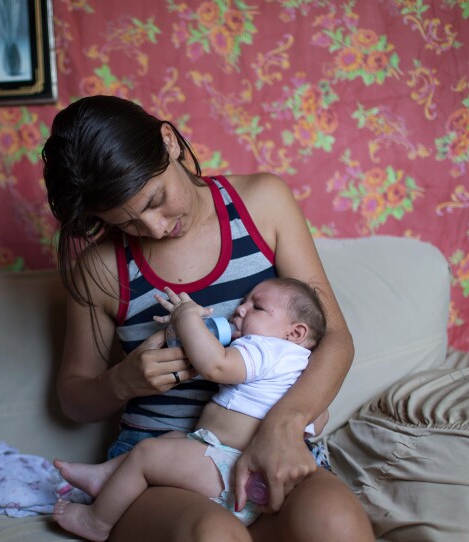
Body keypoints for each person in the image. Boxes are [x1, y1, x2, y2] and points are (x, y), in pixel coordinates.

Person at [41, 94, 373, 541]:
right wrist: (122, 382)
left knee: (336, 523)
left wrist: (284, 426)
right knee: (213, 536)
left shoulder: (262, 204)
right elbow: (73, 399)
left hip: (273, 442)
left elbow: (335, 338)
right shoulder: (101, 270)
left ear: (169, 142)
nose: (155, 228)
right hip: (163, 471)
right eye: (127, 223)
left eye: (156, 200)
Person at [51, 277, 327, 541]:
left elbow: (216, 365)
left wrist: (187, 319)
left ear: (295, 332)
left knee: (148, 453)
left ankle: (97, 522)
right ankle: (106, 476)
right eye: (243, 302)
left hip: (229, 465)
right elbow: (319, 418)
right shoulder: (302, 368)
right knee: (172, 439)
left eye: (257, 307)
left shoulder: (267, 348)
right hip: (232, 460)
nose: (239, 309)